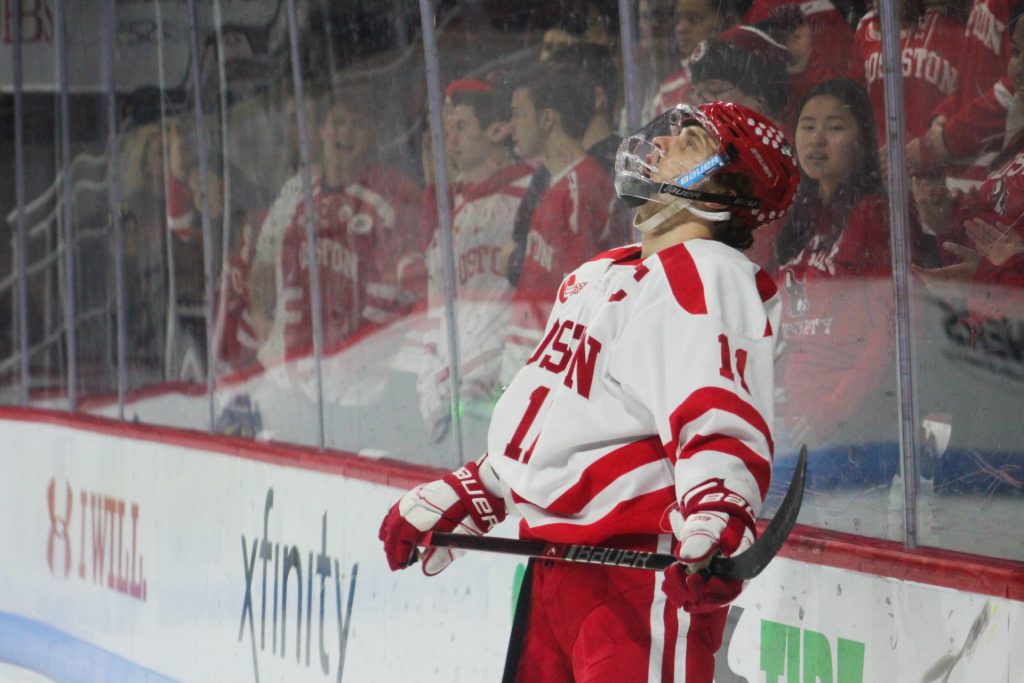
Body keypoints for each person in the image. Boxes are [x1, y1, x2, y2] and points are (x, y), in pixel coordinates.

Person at [379, 101, 799, 682]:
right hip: (552, 571)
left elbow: (718, 410)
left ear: (718, 189)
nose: (666, 142)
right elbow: (552, 411)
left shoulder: (709, 272)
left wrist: (719, 515)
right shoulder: (599, 273)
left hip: (635, 575)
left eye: (692, 143)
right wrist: (479, 489)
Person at [772, 78, 930, 493]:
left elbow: (892, 333)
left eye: (835, 127)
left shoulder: (876, 212)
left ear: (862, 138)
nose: (817, 139)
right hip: (795, 427)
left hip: (854, 437)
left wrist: (831, 414)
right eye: (807, 126)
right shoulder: (800, 216)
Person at [414, 77, 534, 446]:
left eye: (461, 126)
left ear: (497, 130)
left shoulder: (532, 191)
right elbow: (439, 305)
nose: (450, 140)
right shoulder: (457, 209)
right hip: (460, 401)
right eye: (447, 129)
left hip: (507, 391)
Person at [499, 63, 618, 381]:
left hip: (550, 372)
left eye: (519, 114)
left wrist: (550, 380)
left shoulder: (585, 183)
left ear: (548, 118)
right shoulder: (557, 182)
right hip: (525, 362)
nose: (511, 127)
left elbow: (579, 300)